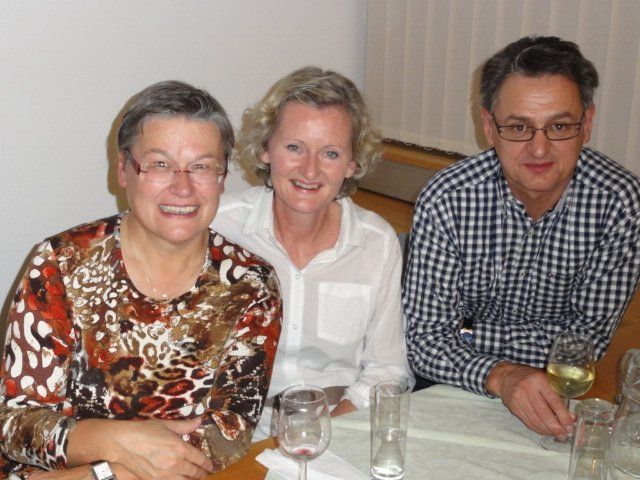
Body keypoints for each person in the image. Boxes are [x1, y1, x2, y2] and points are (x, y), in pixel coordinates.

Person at [0, 81, 282, 479]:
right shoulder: (61, 264)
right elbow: (15, 423)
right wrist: (115, 449)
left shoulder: (250, 284)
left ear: (221, 178)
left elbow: (229, 432)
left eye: (202, 166)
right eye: (160, 165)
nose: (182, 187)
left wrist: (117, 470)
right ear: (123, 170)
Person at [403, 36, 640, 440]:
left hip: (550, 387)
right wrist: (501, 375)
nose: (539, 149)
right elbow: (423, 343)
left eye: (559, 126)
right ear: (489, 127)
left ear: (586, 124)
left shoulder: (620, 205)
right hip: (451, 381)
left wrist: (465, 331)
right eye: (518, 127)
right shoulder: (447, 198)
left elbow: (584, 347)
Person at [213, 66, 412, 439]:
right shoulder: (217, 227)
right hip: (234, 429)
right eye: (294, 147)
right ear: (265, 150)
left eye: (330, 153)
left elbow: (387, 369)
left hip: (339, 423)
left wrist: (325, 431)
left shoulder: (376, 243)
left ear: (352, 164)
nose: (310, 169)